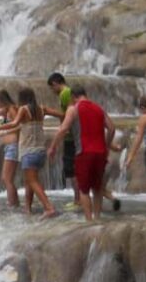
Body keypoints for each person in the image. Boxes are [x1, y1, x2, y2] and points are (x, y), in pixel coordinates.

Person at [48, 85, 115, 222]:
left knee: (83, 189)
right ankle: (97, 218)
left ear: (73, 97)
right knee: (97, 188)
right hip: (101, 153)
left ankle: (89, 220)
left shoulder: (73, 109)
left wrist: (53, 147)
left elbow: (63, 129)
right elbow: (112, 128)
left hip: (84, 152)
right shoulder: (99, 108)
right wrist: (107, 146)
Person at [0, 88, 57, 218]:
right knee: (29, 181)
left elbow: (15, 123)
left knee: (32, 181)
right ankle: (28, 209)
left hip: (29, 151)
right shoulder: (41, 109)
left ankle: (49, 208)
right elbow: (61, 114)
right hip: (41, 151)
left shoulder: (23, 109)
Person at [44, 73, 79, 207]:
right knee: (72, 169)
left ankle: (78, 200)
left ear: (55, 84)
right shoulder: (69, 92)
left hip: (71, 136)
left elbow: (67, 115)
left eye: (51, 88)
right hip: (72, 135)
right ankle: (78, 199)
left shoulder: (65, 93)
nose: (52, 92)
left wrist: (49, 112)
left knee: (71, 169)